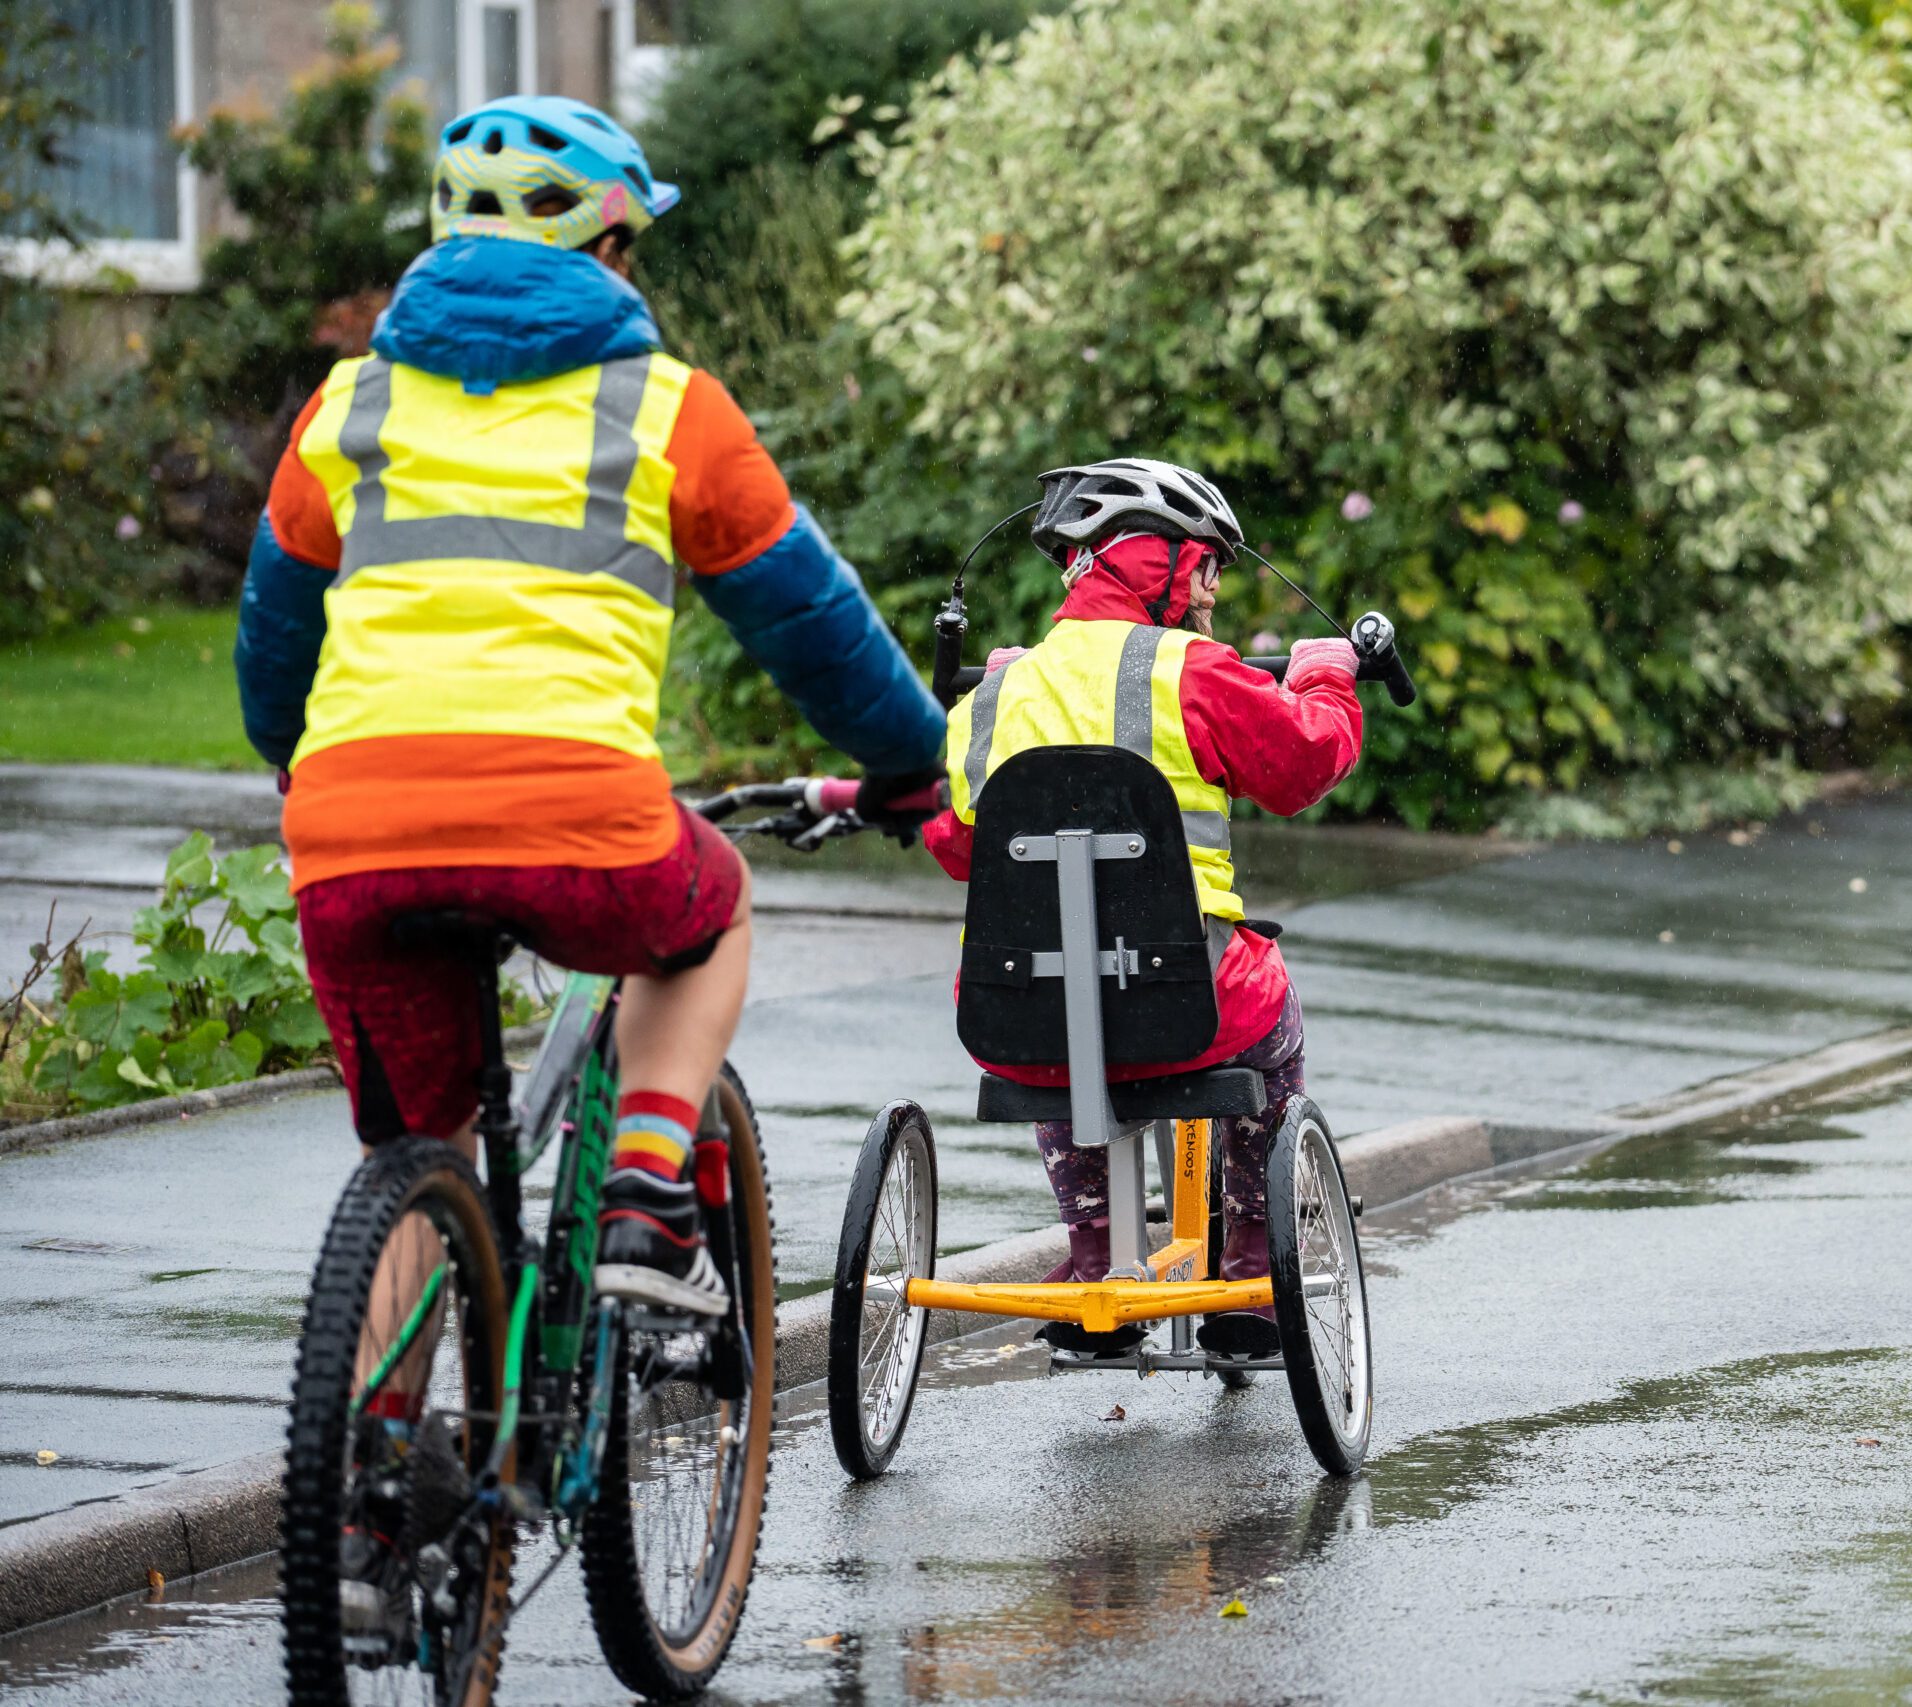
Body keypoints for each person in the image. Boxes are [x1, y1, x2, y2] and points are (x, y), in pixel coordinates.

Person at [235, 96, 944, 1316]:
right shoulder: (671, 409)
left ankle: (373, 1488)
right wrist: (911, 759)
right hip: (579, 824)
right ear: (610, 250)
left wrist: (304, 768)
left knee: (417, 1158)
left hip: (353, 832)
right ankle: (646, 1188)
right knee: (711, 909)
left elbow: (274, 645)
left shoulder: (345, 409)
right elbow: (813, 629)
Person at [920, 459, 1363, 1358]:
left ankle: (1092, 1256)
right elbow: (1304, 764)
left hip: (1017, 1015)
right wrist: (1324, 676)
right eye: (1207, 567)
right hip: (1191, 1000)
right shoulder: (1194, 672)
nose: (1210, 594)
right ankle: (1250, 1258)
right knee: (1271, 1003)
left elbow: (954, 843)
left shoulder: (996, 693)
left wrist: (998, 724)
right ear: (1162, 566)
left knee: (1053, 994)